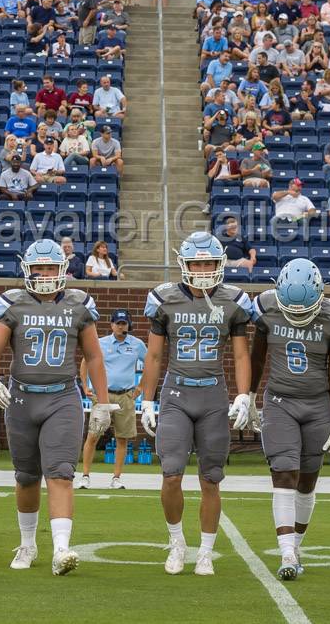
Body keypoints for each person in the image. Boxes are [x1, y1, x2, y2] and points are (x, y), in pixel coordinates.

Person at [0, 239, 116, 576]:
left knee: (60, 473)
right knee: (26, 476)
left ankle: (61, 549)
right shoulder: (11, 303)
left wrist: (102, 401)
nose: (43, 275)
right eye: (37, 269)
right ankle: (27, 543)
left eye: (50, 268)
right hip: (22, 398)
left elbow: (94, 356)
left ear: (63, 270)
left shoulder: (78, 303)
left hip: (62, 398)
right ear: (27, 270)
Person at [138, 232, 253, 577]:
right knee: (171, 474)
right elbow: (155, 355)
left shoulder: (233, 301)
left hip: (213, 395)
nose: (203, 270)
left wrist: (244, 394)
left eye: (209, 263)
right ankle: (176, 542)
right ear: (184, 265)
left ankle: (205, 551)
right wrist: (146, 400)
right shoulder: (165, 298)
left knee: (210, 480)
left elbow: (241, 353)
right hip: (176, 393)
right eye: (197, 263)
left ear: (219, 265)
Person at [248, 259, 330, 581]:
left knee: (307, 482)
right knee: (284, 472)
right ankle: (286, 552)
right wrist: (249, 396)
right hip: (280, 400)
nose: (296, 315)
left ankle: (295, 546)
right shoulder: (266, 309)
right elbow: (256, 357)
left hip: (317, 405)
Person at [77, 309, 148, 489]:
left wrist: (141, 387)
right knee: (93, 435)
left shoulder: (137, 344)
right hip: (103, 395)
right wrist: (85, 386)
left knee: (122, 438)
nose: (120, 326)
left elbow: (151, 363)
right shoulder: (101, 343)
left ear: (128, 325)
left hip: (125, 395)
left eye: (124, 323)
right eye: (117, 323)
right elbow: (86, 361)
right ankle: (85, 476)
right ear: (111, 325)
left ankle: (116, 478)